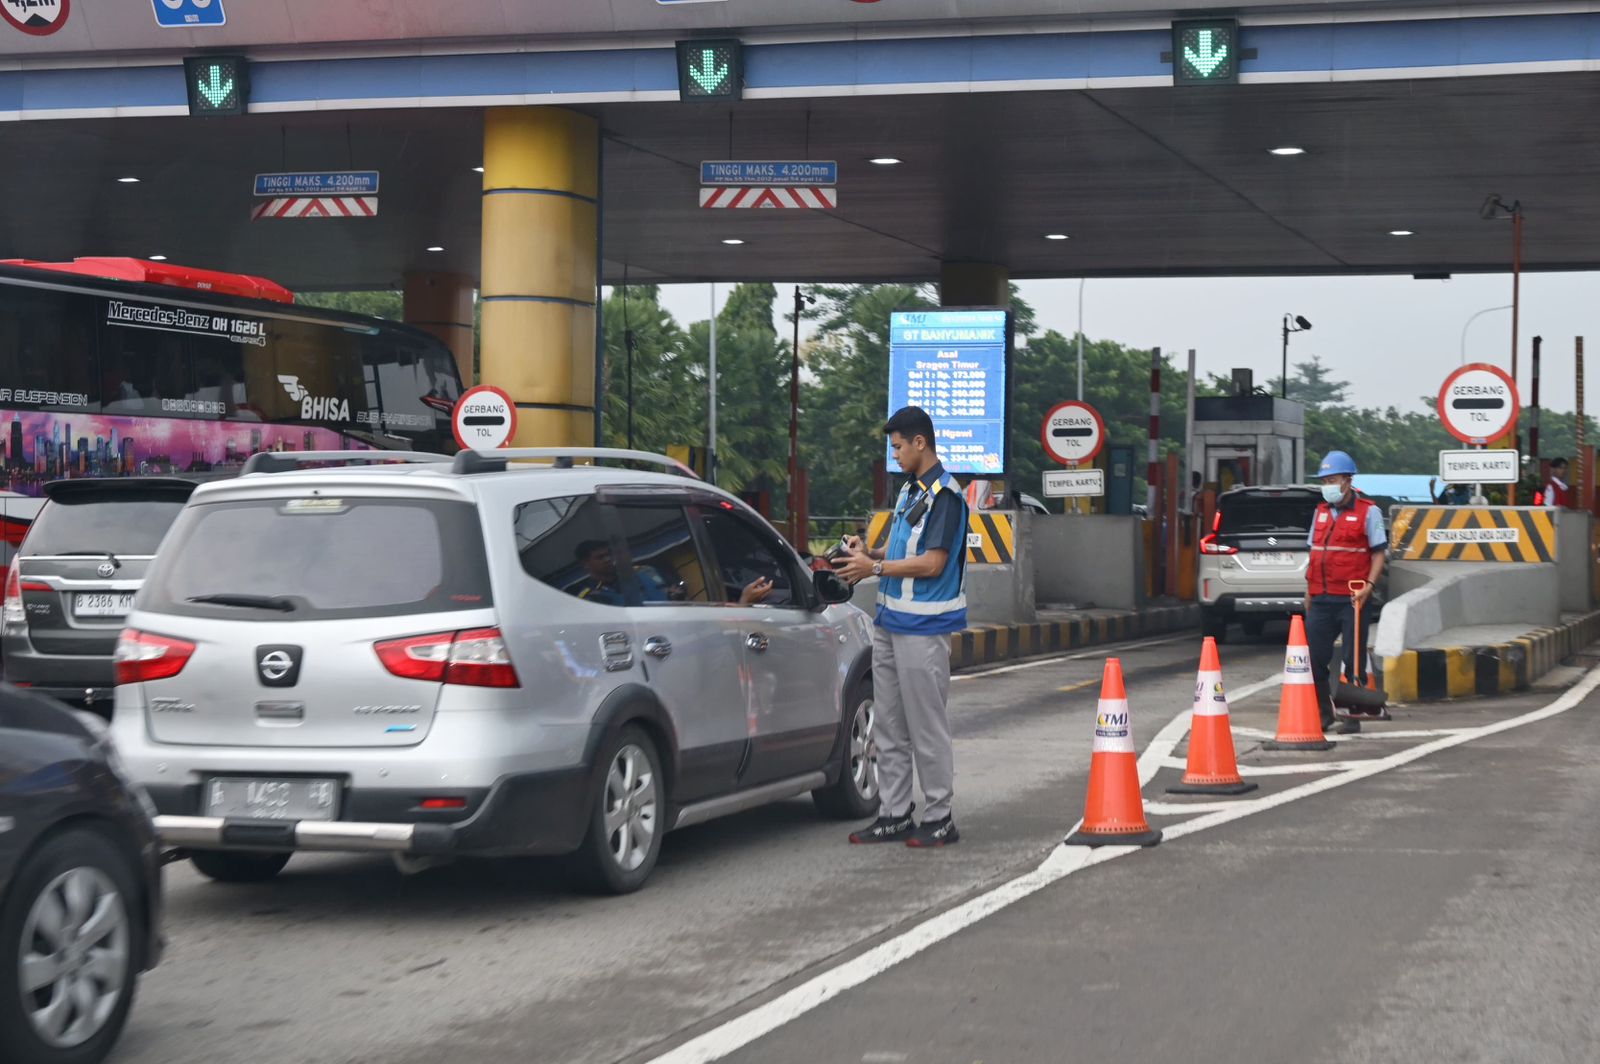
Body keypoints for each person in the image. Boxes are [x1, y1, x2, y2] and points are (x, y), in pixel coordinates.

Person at [834, 406, 968, 848]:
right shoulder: (911, 491)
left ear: (920, 443)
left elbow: (933, 562)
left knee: (925, 726)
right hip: (891, 624)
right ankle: (894, 812)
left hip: (924, 629)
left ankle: (940, 816)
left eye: (897, 447)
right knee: (888, 725)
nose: (894, 455)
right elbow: (895, 549)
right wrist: (865, 548)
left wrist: (874, 566)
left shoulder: (945, 497)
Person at [1305, 450, 1387, 734]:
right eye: (1324, 479)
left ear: (1347, 480)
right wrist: (1308, 593)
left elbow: (1379, 553)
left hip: (1353, 598)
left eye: (1332, 478)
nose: (1327, 484)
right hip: (1320, 598)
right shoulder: (1320, 512)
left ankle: (1352, 717)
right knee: (1314, 660)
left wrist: (1370, 586)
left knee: (1353, 661)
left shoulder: (1369, 512)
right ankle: (1324, 713)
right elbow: (1315, 554)